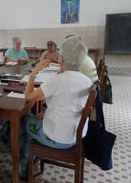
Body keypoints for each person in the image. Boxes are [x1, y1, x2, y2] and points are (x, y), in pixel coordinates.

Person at [19, 36, 93, 180]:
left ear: (61, 58)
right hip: (76, 137)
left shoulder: (58, 80)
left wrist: (34, 72)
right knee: (37, 118)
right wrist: (47, 113)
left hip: (58, 139)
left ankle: (25, 169)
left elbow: (28, 97)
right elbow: (67, 104)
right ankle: (32, 159)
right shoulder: (87, 80)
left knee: (25, 120)